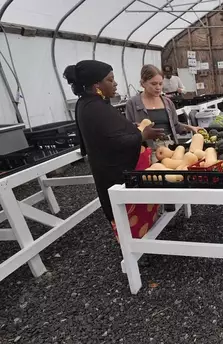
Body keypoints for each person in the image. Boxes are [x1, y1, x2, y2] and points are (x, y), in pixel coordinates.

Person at [63, 60, 165, 238]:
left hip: (110, 170)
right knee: (127, 212)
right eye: (110, 80)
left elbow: (111, 131)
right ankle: (134, 247)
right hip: (114, 174)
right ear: (97, 85)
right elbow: (111, 141)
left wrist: (133, 127)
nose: (115, 83)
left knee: (136, 212)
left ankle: (143, 238)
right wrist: (142, 136)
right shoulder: (94, 108)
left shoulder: (92, 104)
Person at [126, 64, 199, 148]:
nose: (158, 87)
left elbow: (175, 125)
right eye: (153, 84)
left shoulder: (167, 102)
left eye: (160, 84)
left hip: (170, 147)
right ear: (143, 83)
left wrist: (191, 128)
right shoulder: (132, 104)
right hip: (146, 150)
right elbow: (129, 132)